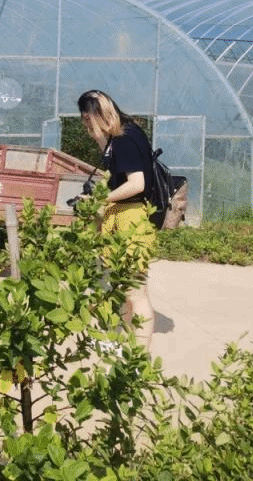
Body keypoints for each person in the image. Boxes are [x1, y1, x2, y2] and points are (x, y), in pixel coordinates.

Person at [76, 89, 156, 347]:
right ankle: (123, 345)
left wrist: (101, 200)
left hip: (130, 218)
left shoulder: (125, 138)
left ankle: (138, 356)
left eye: (88, 120)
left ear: (97, 114)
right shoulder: (117, 137)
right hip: (120, 216)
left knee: (135, 292)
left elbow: (137, 183)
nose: (87, 127)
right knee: (121, 288)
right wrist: (100, 137)